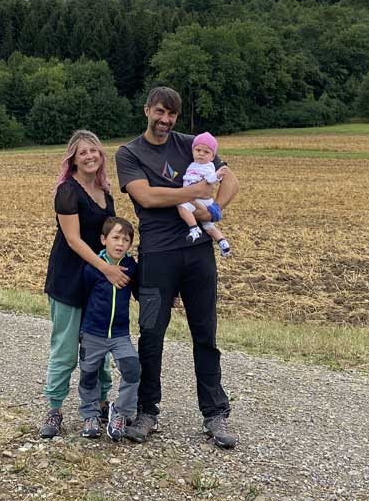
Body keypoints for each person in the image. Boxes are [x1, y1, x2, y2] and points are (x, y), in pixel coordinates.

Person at [115, 87, 241, 448]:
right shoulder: (130, 153)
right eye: (159, 112)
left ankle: (215, 413)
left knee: (205, 334)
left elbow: (231, 179)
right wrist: (191, 194)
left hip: (198, 254)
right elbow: (147, 196)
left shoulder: (193, 144)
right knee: (151, 333)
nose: (165, 120)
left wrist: (212, 210)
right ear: (146, 111)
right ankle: (147, 411)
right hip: (157, 256)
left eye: (171, 114)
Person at [39, 129, 130, 439]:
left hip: (97, 283)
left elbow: (113, 238)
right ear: (73, 160)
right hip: (69, 278)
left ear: (101, 156)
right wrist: (107, 268)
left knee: (99, 347)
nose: (90, 156)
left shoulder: (106, 195)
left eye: (94, 151)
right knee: (65, 349)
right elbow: (74, 240)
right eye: (83, 153)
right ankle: (54, 408)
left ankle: (101, 402)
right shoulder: (67, 190)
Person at [76, 216, 141, 441]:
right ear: (104, 240)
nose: (120, 243)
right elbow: (82, 297)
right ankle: (90, 415)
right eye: (115, 237)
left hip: (120, 334)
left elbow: (140, 291)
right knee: (89, 373)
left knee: (132, 368)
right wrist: (81, 331)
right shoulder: (93, 267)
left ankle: (120, 413)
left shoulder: (132, 267)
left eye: (126, 239)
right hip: (93, 332)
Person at [177, 132, 232, 257]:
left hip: (199, 199)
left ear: (213, 157)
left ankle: (194, 228)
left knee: (182, 206)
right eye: (198, 150)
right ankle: (222, 242)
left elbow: (210, 179)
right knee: (209, 226)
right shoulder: (194, 164)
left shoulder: (208, 166)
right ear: (193, 151)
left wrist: (217, 175)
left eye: (206, 152)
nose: (201, 153)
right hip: (201, 199)